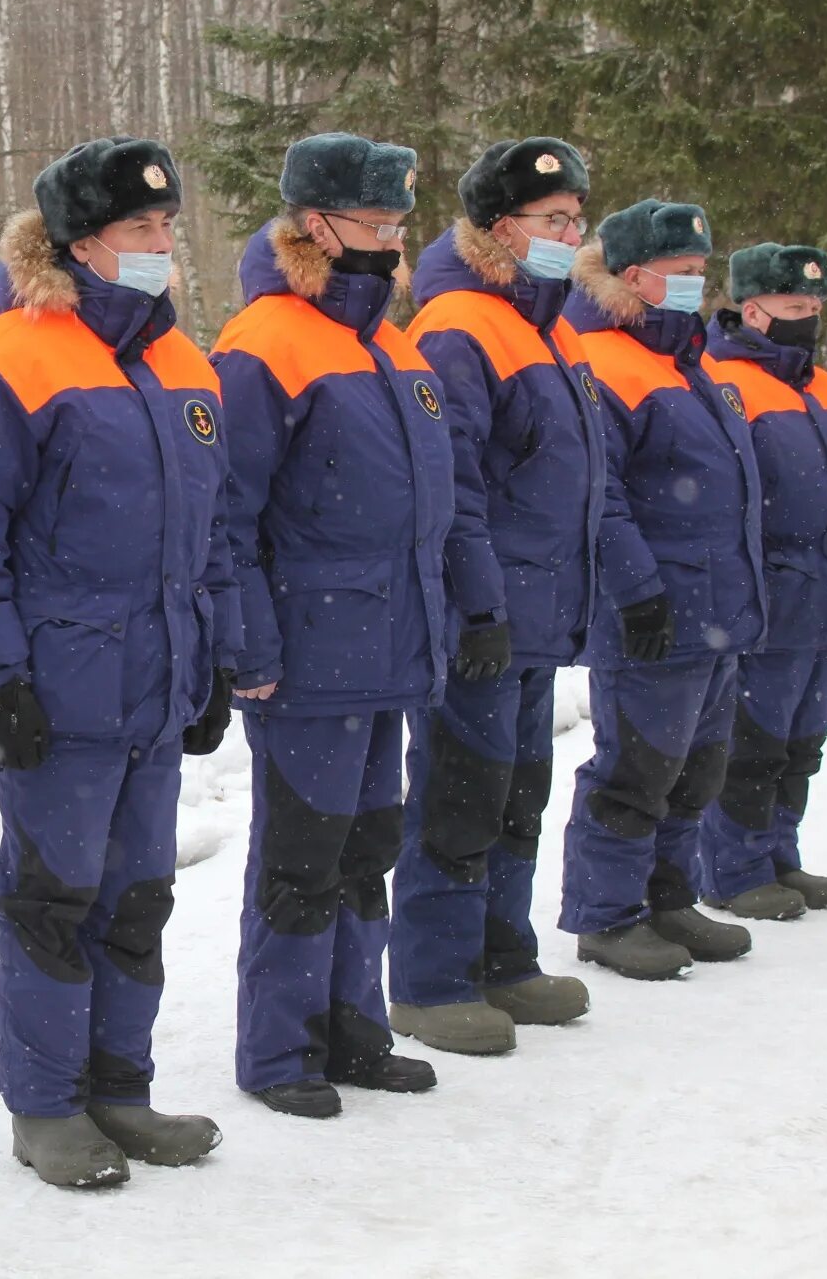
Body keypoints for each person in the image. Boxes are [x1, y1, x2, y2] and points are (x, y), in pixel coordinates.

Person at [0, 137, 236, 1188]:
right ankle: (46, 1102)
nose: (160, 245)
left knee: (136, 896)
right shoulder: (6, 356)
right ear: (77, 241)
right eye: (137, 229)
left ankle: (119, 1085)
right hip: (59, 684)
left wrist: (214, 661)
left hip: (157, 680)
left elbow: (216, 531)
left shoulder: (181, 360)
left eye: (165, 227)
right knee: (51, 898)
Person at [211, 132, 457, 1119]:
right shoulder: (263, 341)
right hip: (308, 652)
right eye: (373, 220)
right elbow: (226, 518)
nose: (393, 239)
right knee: (300, 855)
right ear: (313, 224)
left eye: (399, 221)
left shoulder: (388, 342)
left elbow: (436, 501)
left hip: (389, 643)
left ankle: (354, 1026)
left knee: (366, 849)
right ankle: (279, 1048)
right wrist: (251, 645)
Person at [387, 138, 605, 1055]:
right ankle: (433, 978)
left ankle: (502, 955)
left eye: (577, 220)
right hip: (487, 609)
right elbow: (457, 484)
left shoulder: (550, 321)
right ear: (498, 228)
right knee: (462, 791)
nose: (571, 234)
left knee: (519, 789)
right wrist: (477, 602)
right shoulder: (460, 324)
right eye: (553, 220)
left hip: (540, 606)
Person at [558, 198, 767, 978]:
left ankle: (669, 895)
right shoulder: (605, 361)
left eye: (701, 272)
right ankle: (607, 914)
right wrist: (637, 589)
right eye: (681, 273)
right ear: (633, 276)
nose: (695, 285)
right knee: (636, 769)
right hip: (654, 614)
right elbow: (601, 494)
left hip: (718, 612)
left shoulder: (698, 363)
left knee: (697, 768)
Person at [693, 243, 827, 917]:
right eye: (791, 306)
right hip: (769, 593)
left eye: (813, 306)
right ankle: (733, 866)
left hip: (826, 594)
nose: (806, 317)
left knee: (802, 742)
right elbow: (725, 501)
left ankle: (781, 852)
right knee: (752, 740)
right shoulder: (720, 381)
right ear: (751, 309)